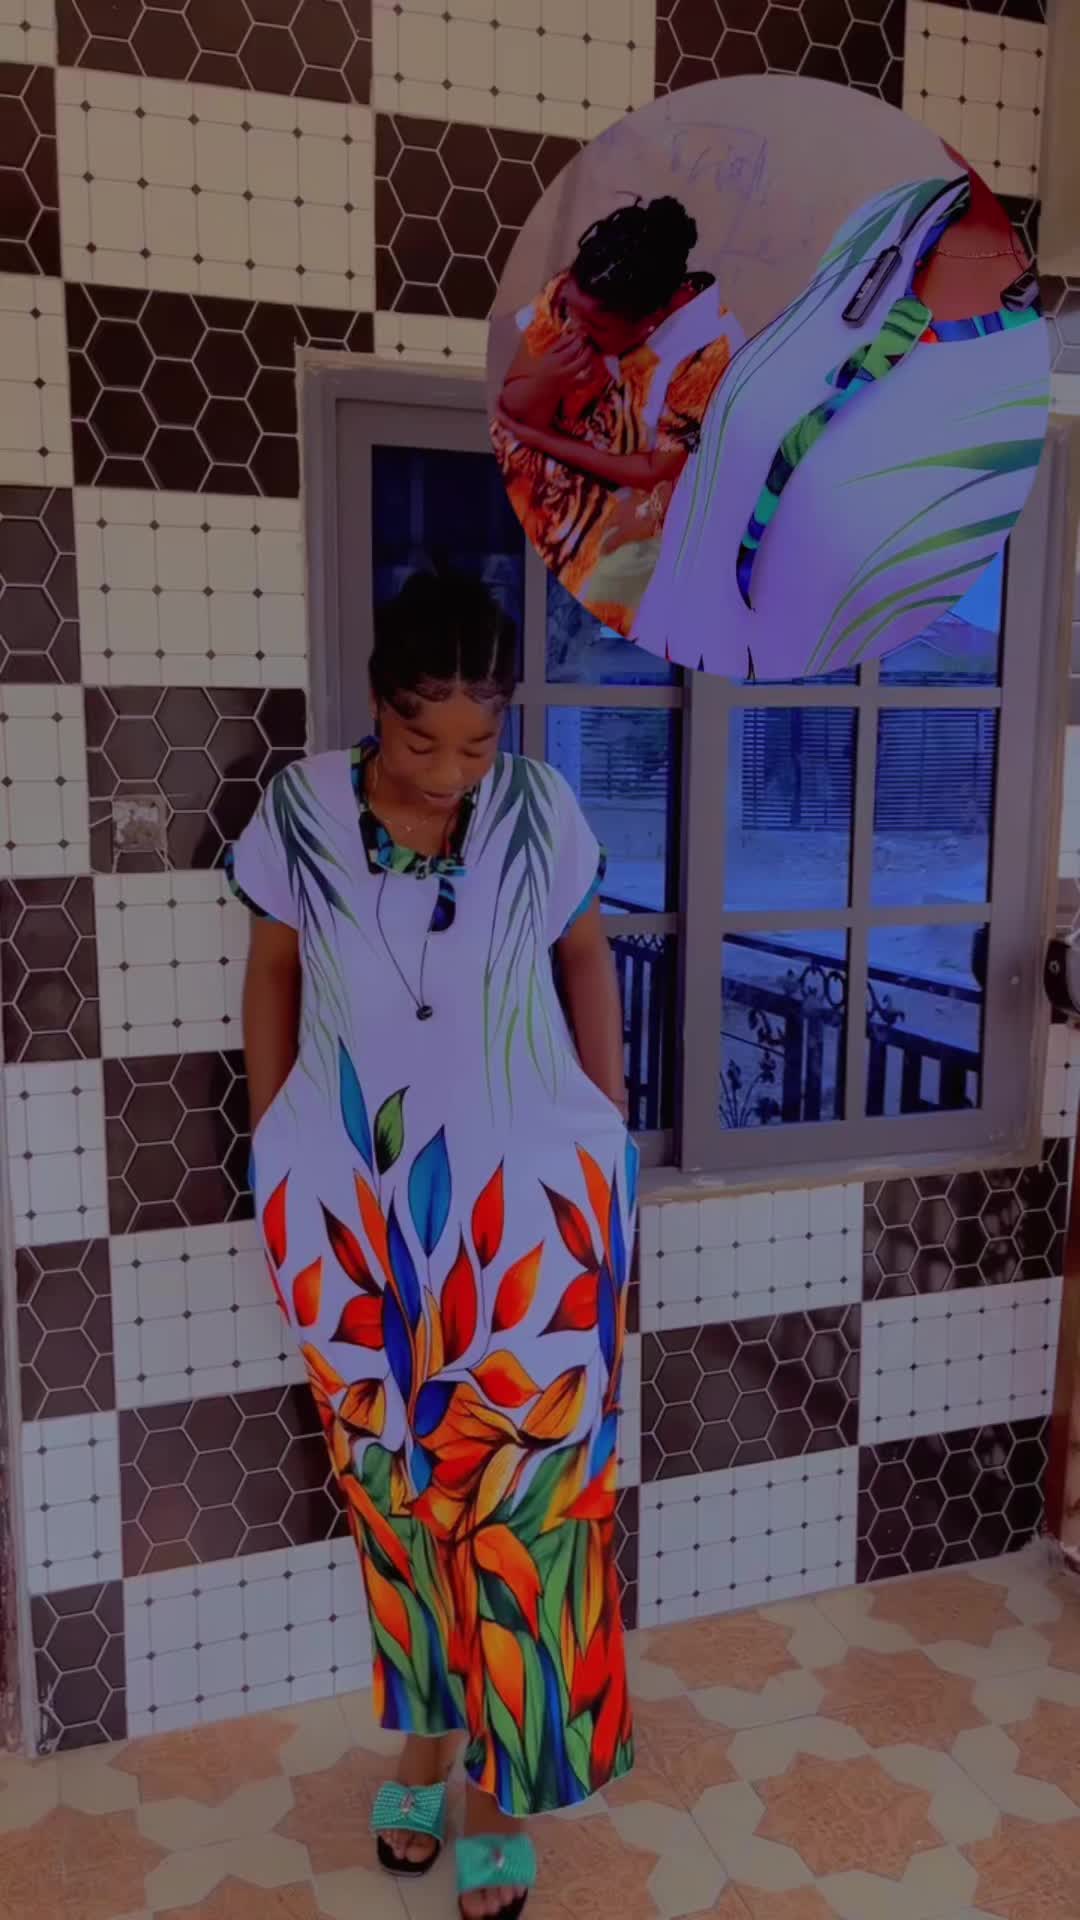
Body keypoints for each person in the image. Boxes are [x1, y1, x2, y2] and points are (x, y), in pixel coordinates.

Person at [227, 567, 636, 1920]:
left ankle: (502, 1792)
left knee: (523, 1500)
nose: (454, 770)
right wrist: (276, 1140)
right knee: (397, 1496)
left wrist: (605, 1126)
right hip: (355, 1223)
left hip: (532, 1227)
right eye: (421, 741)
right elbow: (275, 971)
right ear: (375, 704)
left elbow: (585, 958)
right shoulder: (299, 811)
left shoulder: (542, 808)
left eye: (479, 739)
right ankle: (424, 1739)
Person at [492, 194, 744, 637]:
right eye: (568, 308)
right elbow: (512, 406)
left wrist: (542, 439)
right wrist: (548, 380)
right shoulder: (580, 291)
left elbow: (654, 472)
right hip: (561, 494)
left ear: (647, 324)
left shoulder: (711, 353)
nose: (572, 327)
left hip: (646, 509)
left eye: (595, 328)